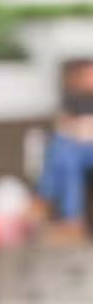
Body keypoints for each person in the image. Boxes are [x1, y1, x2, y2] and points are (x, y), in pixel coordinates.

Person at [37, 58, 93, 243]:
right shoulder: (72, 98)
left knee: (65, 154)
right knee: (63, 152)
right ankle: (70, 217)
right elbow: (64, 125)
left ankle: (47, 201)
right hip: (78, 145)